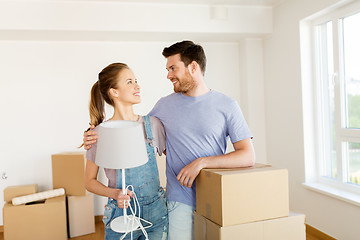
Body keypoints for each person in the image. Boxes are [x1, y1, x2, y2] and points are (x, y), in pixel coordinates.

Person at [84, 41, 255, 240]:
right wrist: (94, 134)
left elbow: (248, 155)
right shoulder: (164, 107)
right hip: (176, 201)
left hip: (216, 196)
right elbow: (132, 132)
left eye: (173, 68)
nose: (168, 75)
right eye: (167, 69)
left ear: (193, 67)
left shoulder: (227, 105)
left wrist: (202, 162)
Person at [84, 63, 168, 240]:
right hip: (119, 214)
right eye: (130, 82)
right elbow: (89, 182)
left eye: (136, 81)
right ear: (114, 92)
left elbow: (175, 159)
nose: (137, 86)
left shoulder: (153, 125)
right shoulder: (98, 134)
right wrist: (114, 194)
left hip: (156, 213)